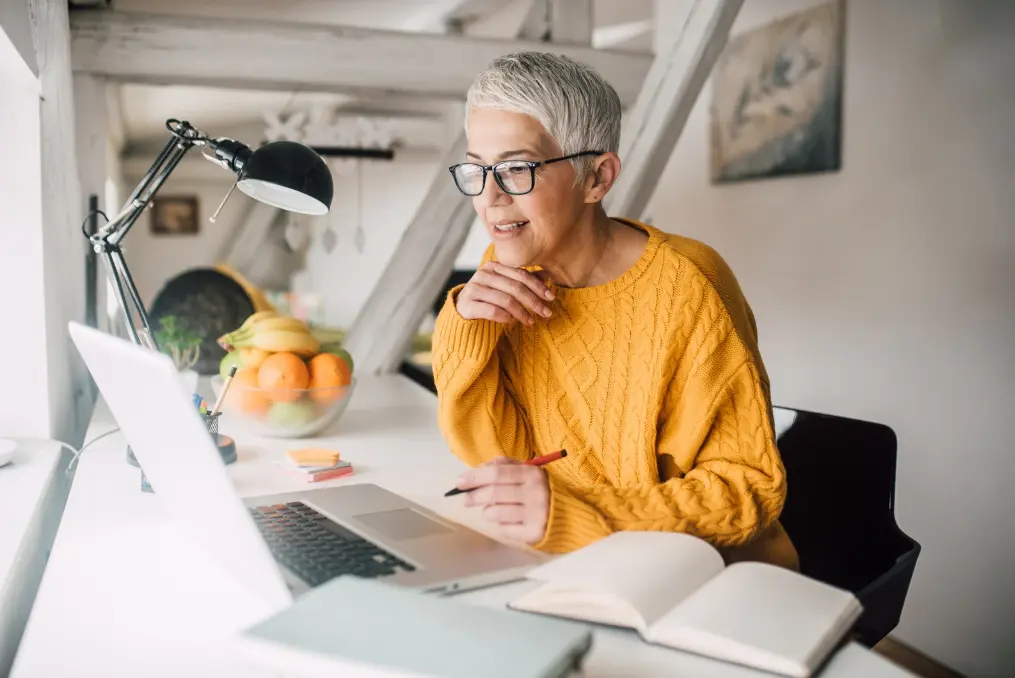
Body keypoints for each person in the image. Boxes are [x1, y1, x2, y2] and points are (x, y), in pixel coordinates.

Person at [432, 51, 798, 570]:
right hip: (582, 561)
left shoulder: (690, 284)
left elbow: (746, 491)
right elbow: (496, 458)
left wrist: (579, 512)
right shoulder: (512, 271)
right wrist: (464, 327)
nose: (488, 197)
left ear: (598, 178)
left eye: (516, 169)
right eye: (477, 169)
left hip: (710, 574)